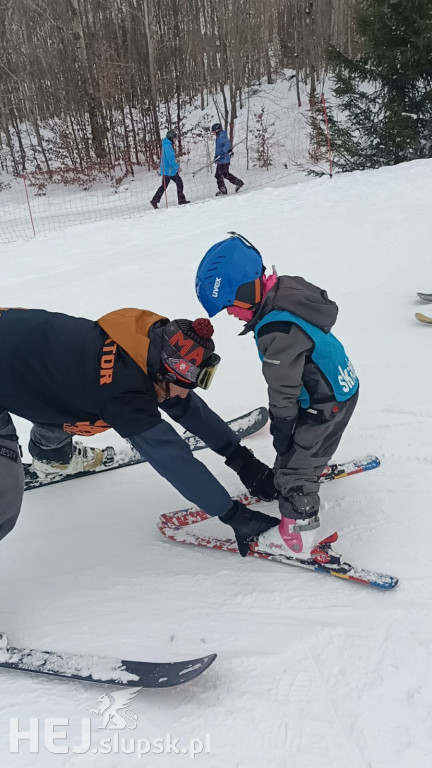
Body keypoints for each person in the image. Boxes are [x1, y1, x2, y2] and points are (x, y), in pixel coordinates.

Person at [0, 306, 279, 555]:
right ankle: (50, 458)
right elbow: (174, 460)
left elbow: (187, 407)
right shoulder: (122, 394)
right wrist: (233, 515)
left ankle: (50, 456)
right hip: (14, 367)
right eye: (189, 382)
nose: (189, 392)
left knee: (69, 397)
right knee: (6, 501)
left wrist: (243, 460)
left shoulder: (144, 343)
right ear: (167, 373)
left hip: (24, 345)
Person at [195, 233, 359, 564]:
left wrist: (282, 425)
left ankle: (299, 532)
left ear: (247, 292)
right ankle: (305, 466)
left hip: (324, 402)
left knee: (296, 464)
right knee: (304, 448)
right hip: (340, 387)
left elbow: (282, 387)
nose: (229, 314)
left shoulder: (276, 329)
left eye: (229, 306)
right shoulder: (286, 290)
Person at [150, 130, 190, 209]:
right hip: (169, 171)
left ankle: (155, 200)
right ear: (171, 138)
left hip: (168, 170)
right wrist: (177, 167)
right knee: (176, 184)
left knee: (172, 184)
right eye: (174, 138)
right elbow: (170, 160)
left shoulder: (166, 145)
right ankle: (155, 200)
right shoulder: (168, 147)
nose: (175, 140)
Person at [211, 123, 244, 197]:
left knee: (218, 174)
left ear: (217, 130)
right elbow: (219, 148)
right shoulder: (219, 136)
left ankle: (222, 189)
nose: (213, 133)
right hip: (221, 159)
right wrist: (216, 156)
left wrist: (223, 152)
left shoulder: (222, 136)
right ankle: (238, 182)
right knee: (225, 173)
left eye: (213, 131)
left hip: (224, 159)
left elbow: (227, 145)